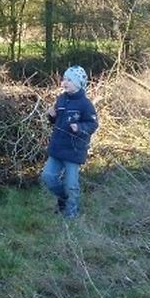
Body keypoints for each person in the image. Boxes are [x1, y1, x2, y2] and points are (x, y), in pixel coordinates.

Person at [41, 65, 99, 218]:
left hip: (74, 150)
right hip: (57, 148)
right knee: (48, 177)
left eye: (69, 80)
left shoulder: (85, 104)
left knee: (71, 184)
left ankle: (71, 212)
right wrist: (51, 116)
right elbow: (56, 121)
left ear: (78, 83)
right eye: (64, 79)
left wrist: (79, 127)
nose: (64, 83)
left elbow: (93, 124)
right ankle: (63, 199)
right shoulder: (61, 99)